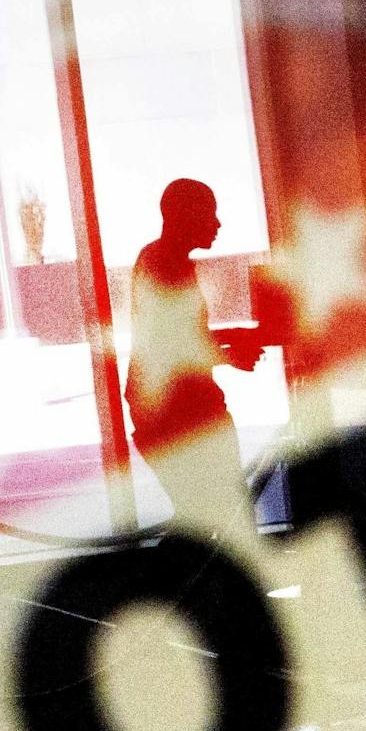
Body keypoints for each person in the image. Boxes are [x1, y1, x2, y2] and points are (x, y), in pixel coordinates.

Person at [125, 178, 264, 533]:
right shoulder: (163, 265)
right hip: (179, 415)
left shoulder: (162, 260)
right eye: (209, 214)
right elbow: (174, 344)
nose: (217, 224)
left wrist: (232, 338)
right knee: (220, 515)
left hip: (174, 412)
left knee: (205, 516)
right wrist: (231, 355)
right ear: (183, 215)